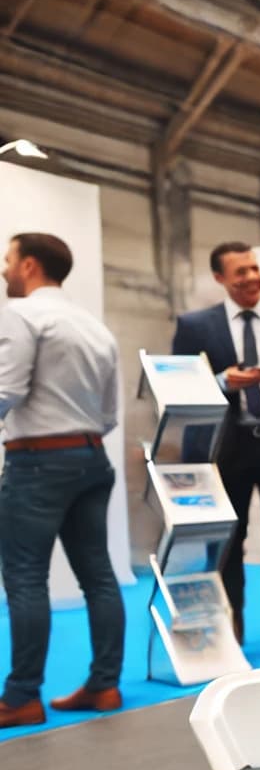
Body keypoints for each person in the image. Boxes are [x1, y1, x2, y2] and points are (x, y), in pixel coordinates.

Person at [0, 233, 124, 729]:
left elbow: (6, 390)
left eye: (8, 259)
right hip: (91, 457)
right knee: (98, 574)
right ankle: (105, 684)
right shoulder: (96, 328)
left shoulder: (21, 315)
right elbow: (110, 414)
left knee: (25, 575)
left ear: (29, 265)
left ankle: (21, 696)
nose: (5, 269)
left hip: (37, 462)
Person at [172, 241, 260, 644]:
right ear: (220, 279)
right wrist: (222, 383)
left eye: (254, 268)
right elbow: (180, 387)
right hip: (223, 448)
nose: (251, 277)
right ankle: (232, 620)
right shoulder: (194, 326)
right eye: (240, 272)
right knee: (230, 537)